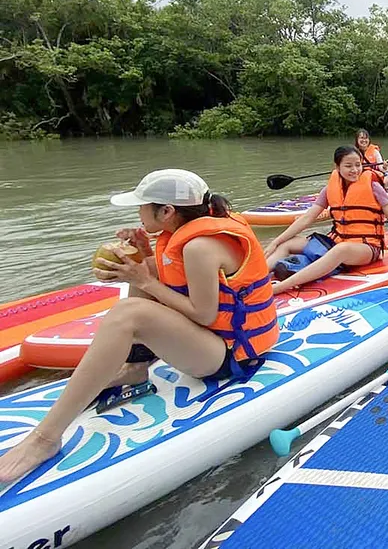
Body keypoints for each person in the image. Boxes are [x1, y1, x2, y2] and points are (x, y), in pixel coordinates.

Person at [0, 169, 281, 483]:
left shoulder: (200, 246)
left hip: (230, 354)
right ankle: (135, 368)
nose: (137, 213)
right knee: (139, 277)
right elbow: (175, 281)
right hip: (210, 340)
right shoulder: (179, 235)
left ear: (166, 211)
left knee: (129, 312)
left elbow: (203, 314)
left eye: (141, 207)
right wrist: (145, 257)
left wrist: (143, 278)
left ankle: (45, 439)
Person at [265, 147, 388, 293]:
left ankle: (280, 287)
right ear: (337, 167)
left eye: (358, 165)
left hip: (367, 248)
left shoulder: (374, 186)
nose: (355, 170)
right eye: (348, 166)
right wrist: (276, 241)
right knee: (287, 243)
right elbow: (307, 218)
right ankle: (256, 276)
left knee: (341, 250)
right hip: (337, 241)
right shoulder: (329, 189)